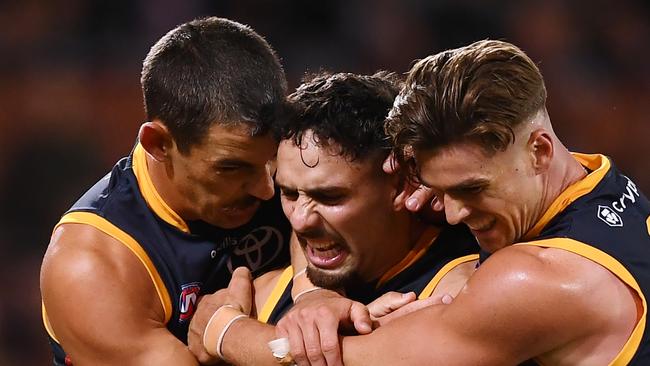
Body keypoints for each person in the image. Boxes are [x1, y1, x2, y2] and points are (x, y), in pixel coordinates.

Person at [190, 40, 650, 365]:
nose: (450, 212)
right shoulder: (600, 183)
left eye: (470, 189)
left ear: (540, 151)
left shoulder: (538, 278)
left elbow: (350, 361)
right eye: (439, 189)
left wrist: (226, 333)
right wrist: (316, 291)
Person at [40, 17, 295, 365]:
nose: (268, 189)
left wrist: (313, 294)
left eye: (272, 158)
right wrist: (234, 336)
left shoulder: (307, 164)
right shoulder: (92, 265)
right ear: (158, 144)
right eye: (231, 168)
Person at [187, 71, 480, 365]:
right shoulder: (255, 298)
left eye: (329, 197)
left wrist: (229, 335)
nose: (301, 221)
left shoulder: (461, 295)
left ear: (403, 184)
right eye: (289, 194)